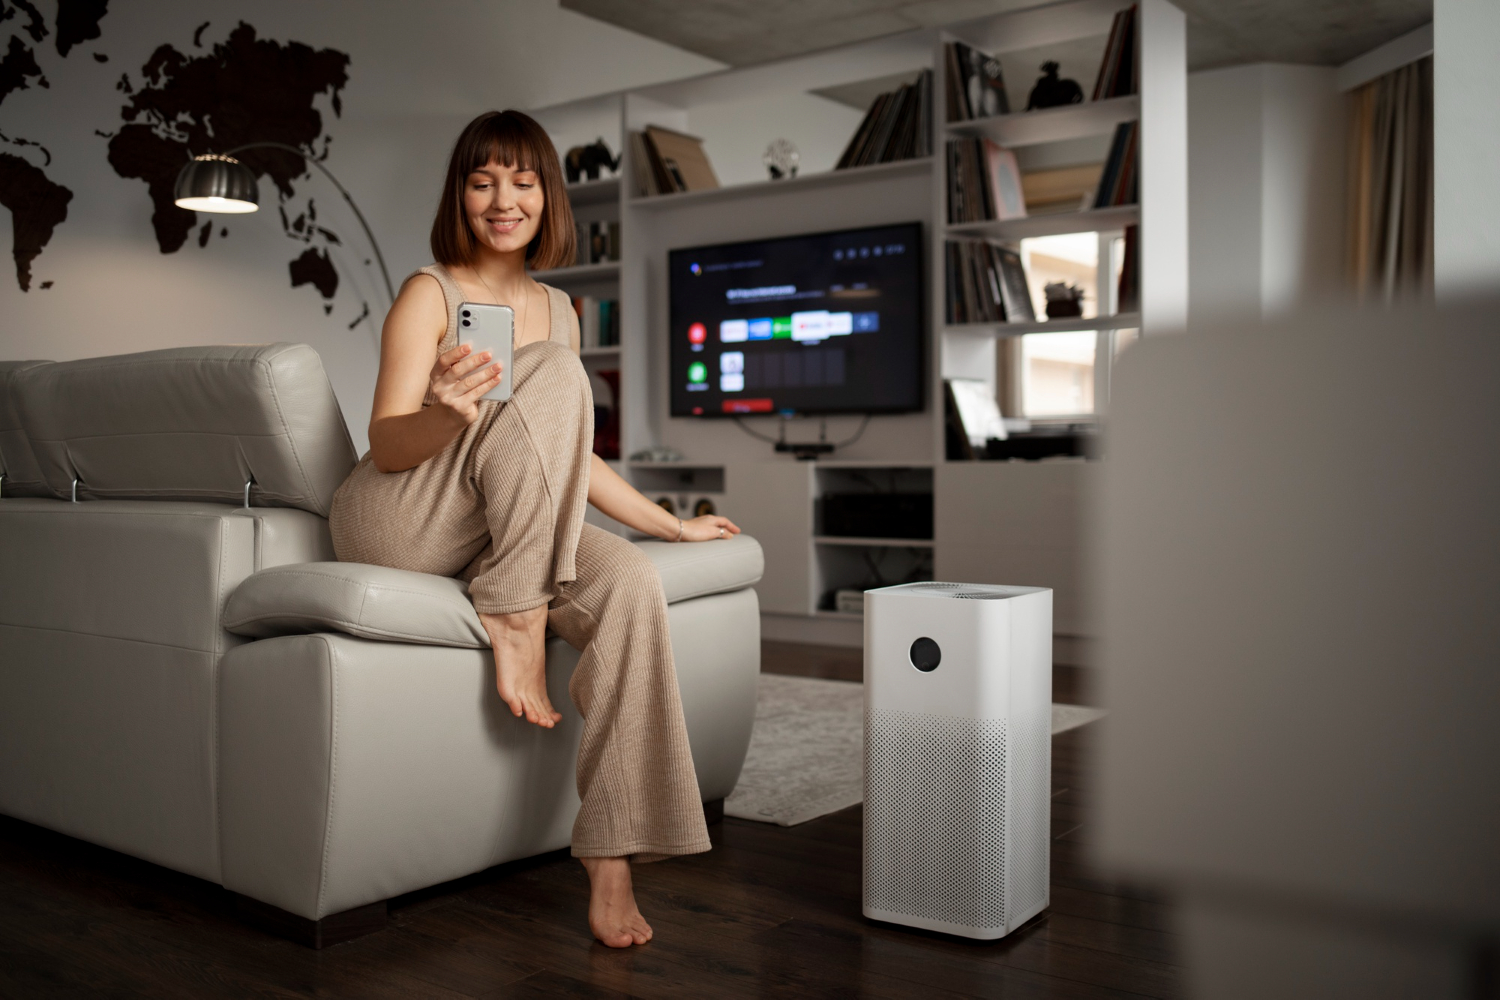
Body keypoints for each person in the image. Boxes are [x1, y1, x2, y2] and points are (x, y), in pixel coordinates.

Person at [328, 109, 740, 949]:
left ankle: (611, 851)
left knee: (628, 581)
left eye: (521, 182)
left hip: (490, 530)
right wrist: (448, 415)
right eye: (482, 182)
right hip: (397, 517)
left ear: (548, 197)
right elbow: (386, 442)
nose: (501, 200)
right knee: (547, 372)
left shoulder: (559, 309)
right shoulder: (429, 292)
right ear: (461, 195)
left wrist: (670, 523)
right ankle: (515, 611)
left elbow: (566, 457)